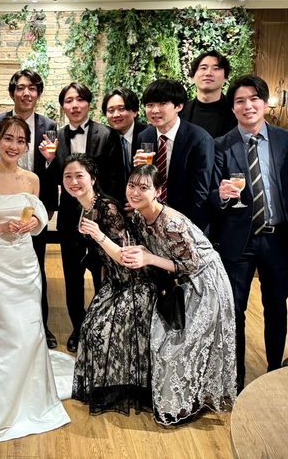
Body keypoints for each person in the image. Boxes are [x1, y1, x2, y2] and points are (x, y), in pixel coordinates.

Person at [80, 164, 237, 425]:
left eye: (144, 187)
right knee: (163, 343)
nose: (135, 192)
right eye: (132, 185)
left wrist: (149, 258)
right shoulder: (139, 215)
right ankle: (177, 401)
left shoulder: (171, 222)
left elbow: (192, 264)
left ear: (158, 191)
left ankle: (189, 403)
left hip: (204, 283)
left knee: (181, 347)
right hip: (177, 282)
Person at [0, 116, 71, 446]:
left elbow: (39, 216)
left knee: (29, 327)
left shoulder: (32, 179)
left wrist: (32, 224)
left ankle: (30, 397)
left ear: (27, 146)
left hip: (25, 263)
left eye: (20, 141)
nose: (13, 146)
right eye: (8, 138)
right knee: (5, 326)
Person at [210, 75, 288, 391]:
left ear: (264, 103)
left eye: (254, 99)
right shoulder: (220, 145)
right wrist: (221, 195)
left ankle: (274, 370)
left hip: (278, 238)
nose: (247, 105)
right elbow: (210, 196)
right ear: (233, 108)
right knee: (235, 310)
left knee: (276, 307)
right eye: (240, 101)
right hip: (238, 240)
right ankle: (235, 379)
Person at [63, 154, 157, 417]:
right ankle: (111, 382)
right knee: (89, 328)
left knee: (99, 330)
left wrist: (98, 235)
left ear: (93, 179)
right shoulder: (82, 206)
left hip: (134, 283)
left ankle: (123, 387)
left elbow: (126, 257)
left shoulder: (108, 208)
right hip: (115, 281)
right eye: (68, 176)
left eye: (79, 176)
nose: (73, 182)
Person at [42, 82, 124, 353]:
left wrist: (104, 213)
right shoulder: (56, 137)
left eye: (79, 100)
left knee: (104, 279)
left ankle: (100, 330)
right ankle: (78, 329)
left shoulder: (107, 135)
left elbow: (115, 179)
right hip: (69, 220)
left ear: (89, 103)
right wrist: (49, 160)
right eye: (68, 101)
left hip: (102, 221)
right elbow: (54, 180)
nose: (74, 105)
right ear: (63, 106)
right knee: (72, 278)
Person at [0, 68, 59, 348]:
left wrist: (51, 161)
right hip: (2, 209)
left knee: (35, 267)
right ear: (12, 93)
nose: (26, 93)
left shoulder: (49, 125)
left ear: (38, 94)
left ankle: (40, 325)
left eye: (32, 88)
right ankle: (4, 326)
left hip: (33, 209)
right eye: (20, 88)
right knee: (3, 269)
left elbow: (55, 170)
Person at [135, 79, 214, 231]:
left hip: (187, 222)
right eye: (150, 105)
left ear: (179, 106)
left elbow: (200, 192)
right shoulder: (144, 136)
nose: (155, 110)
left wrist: (180, 225)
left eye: (162, 104)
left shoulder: (199, 139)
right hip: (151, 219)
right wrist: (139, 169)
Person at [180, 50, 237, 138]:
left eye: (216, 68)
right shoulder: (180, 112)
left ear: (225, 77)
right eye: (203, 68)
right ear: (193, 76)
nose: (208, 73)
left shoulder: (236, 112)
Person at [102, 87, 147, 183]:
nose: (116, 115)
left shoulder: (148, 135)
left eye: (121, 109)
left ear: (135, 111)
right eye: (111, 110)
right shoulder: (105, 137)